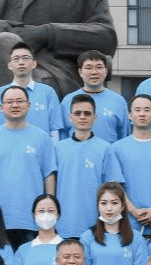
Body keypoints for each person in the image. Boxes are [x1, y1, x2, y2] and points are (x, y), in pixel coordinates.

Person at [0, 85, 57, 247]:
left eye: (20, 101)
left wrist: (49, 208)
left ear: (28, 105)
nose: (15, 105)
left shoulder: (42, 138)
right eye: (10, 102)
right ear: (1, 107)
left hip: (32, 219)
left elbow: (48, 174)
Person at [53, 94, 123, 237]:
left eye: (87, 113)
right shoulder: (58, 148)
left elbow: (113, 187)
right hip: (63, 225)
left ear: (95, 118)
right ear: (70, 117)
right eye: (77, 113)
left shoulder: (105, 148)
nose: (82, 117)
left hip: (96, 226)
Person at [111, 93, 151, 233]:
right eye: (137, 110)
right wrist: (133, 211)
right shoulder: (116, 148)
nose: (142, 114)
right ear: (130, 115)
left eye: (147, 110)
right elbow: (116, 185)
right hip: (127, 222)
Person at [0, 42, 65, 138]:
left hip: (39, 146)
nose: (21, 62)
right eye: (16, 59)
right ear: (9, 65)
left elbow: (55, 130)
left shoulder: (48, 92)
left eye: (25, 58)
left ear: (34, 63)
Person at [57, 50, 129, 142]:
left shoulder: (118, 101)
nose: (94, 72)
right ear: (80, 72)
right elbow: (62, 136)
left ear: (106, 71)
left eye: (99, 67)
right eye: (89, 68)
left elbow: (124, 137)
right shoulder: (68, 101)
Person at [15, 193, 63, 265]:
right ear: (34, 215)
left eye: (51, 211)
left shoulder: (68, 248)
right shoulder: (23, 250)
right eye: (41, 211)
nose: (46, 215)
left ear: (58, 215)